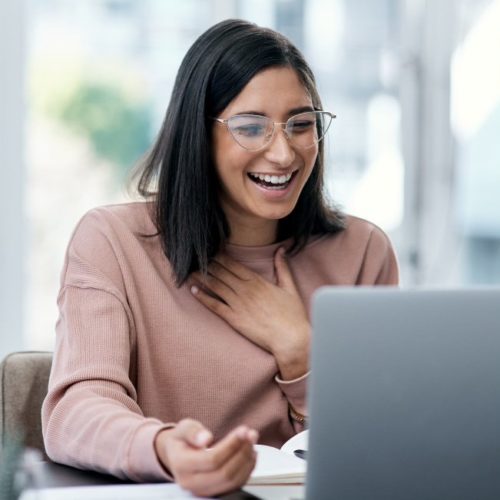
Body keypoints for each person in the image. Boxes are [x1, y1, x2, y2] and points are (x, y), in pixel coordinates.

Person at [42, 19, 399, 497]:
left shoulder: (362, 252)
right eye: (251, 127)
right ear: (198, 133)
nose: (283, 151)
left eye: (302, 124)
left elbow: (383, 439)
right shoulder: (114, 242)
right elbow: (76, 410)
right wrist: (166, 448)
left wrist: (301, 352)